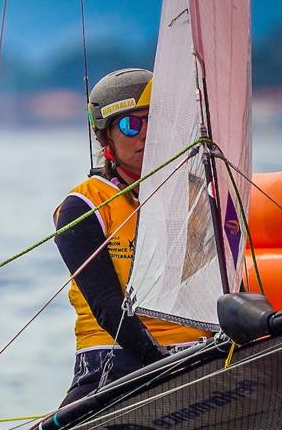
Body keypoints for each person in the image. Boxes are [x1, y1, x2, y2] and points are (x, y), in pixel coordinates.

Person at [54, 68, 211, 407]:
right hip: (114, 357)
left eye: (154, 122)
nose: (146, 136)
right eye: (131, 125)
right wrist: (163, 367)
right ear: (105, 138)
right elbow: (107, 308)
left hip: (201, 355)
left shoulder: (198, 196)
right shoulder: (83, 205)